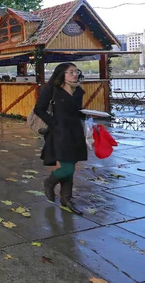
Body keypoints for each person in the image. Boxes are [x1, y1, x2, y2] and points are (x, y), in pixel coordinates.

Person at [34, 62, 86, 215]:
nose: (75, 74)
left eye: (76, 71)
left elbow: (76, 112)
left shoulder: (78, 90)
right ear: (61, 74)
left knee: (70, 165)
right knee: (67, 167)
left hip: (75, 132)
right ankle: (49, 183)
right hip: (59, 133)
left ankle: (66, 198)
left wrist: (87, 115)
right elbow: (39, 109)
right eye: (71, 72)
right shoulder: (52, 89)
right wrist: (53, 124)